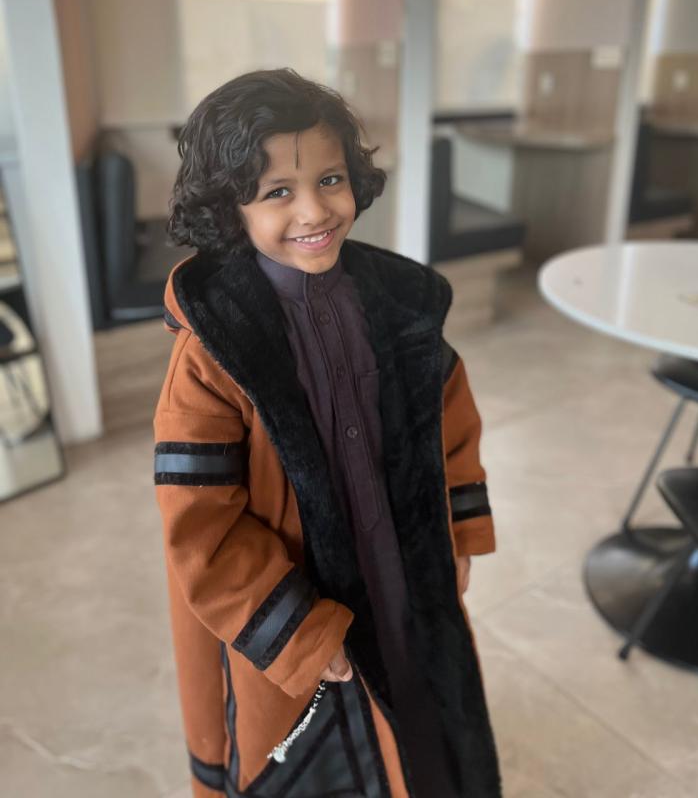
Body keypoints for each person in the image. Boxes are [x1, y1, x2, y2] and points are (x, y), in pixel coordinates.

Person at [154, 68, 502, 798]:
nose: (314, 210)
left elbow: (451, 428)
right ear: (230, 207)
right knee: (323, 757)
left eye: (330, 179)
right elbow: (202, 526)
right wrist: (299, 632)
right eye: (277, 191)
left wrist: (460, 534)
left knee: (420, 711)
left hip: (401, 571)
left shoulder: (399, 307)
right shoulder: (213, 354)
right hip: (302, 605)